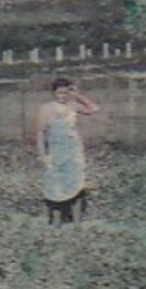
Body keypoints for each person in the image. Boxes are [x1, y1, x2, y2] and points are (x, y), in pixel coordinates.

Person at [36, 77, 99, 224]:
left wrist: (77, 95)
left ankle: (74, 217)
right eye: (59, 93)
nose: (62, 96)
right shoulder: (46, 108)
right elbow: (40, 132)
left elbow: (94, 108)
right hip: (55, 149)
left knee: (74, 180)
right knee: (54, 181)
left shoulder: (73, 105)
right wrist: (43, 155)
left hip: (73, 149)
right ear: (53, 93)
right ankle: (55, 217)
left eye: (65, 93)